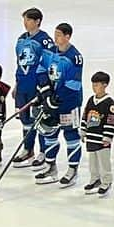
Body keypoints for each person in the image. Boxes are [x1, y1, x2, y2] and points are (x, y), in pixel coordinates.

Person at [33, 23, 85, 187]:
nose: (55, 38)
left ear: (68, 36)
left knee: (71, 135)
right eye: (55, 34)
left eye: (59, 35)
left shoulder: (75, 57)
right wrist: (47, 93)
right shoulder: (49, 51)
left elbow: (72, 85)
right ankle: (51, 167)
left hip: (70, 103)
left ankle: (72, 170)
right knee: (49, 133)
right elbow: (41, 70)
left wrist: (54, 100)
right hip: (51, 102)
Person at [11, 7, 55, 167]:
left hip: (37, 87)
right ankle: (28, 149)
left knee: (39, 119)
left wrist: (45, 88)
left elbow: (49, 66)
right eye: (24, 20)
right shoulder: (21, 39)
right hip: (23, 85)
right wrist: (17, 84)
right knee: (25, 119)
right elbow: (20, 63)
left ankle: (43, 151)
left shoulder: (45, 41)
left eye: (29, 20)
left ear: (37, 21)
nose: (25, 23)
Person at [81, 71, 114, 197]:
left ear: (105, 85)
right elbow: (85, 115)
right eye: (93, 85)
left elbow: (111, 120)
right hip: (91, 137)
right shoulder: (91, 100)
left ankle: (106, 181)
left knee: (104, 161)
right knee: (92, 161)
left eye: (97, 85)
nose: (94, 87)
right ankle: (95, 178)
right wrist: (83, 129)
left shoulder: (109, 103)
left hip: (102, 139)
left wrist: (108, 136)